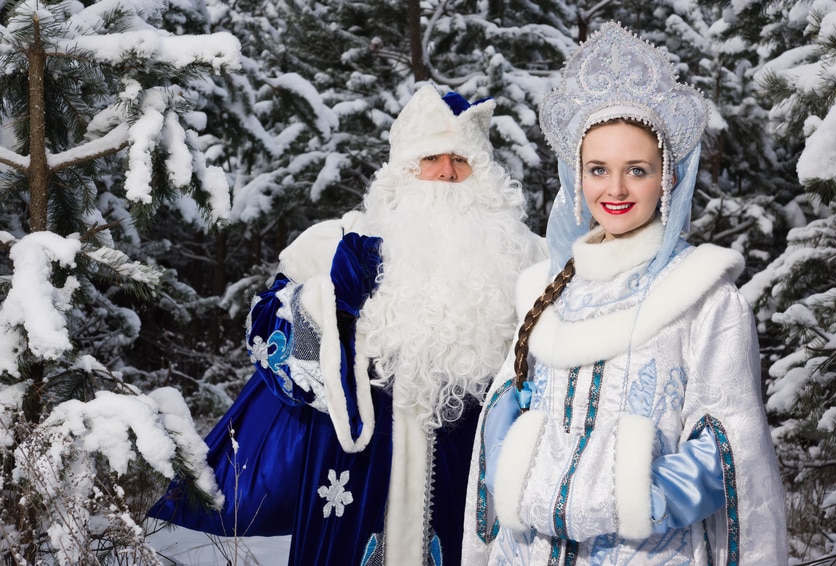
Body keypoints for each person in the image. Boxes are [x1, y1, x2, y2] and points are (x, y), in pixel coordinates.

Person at [150, 83, 547, 566]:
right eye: (431, 158)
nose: (445, 173)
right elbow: (263, 333)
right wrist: (331, 307)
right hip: (349, 474)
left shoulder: (523, 256)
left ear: (482, 174)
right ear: (403, 169)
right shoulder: (337, 239)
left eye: (461, 161)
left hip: (468, 473)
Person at [461, 22, 788, 565]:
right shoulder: (545, 291)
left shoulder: (704, 297)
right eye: (598, 170)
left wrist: (635, 496)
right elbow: (502, 414)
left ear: (667, 178)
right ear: (576, 177)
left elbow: (730, 447)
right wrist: (524, 480)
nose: (614, 190)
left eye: (637, 170)